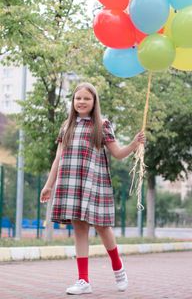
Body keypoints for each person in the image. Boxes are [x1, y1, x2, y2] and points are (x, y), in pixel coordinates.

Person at [40, 82, 145, 295]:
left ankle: (118, 269)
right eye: (78, 98)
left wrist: (134, 144)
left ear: (94, 102)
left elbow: (117, 153)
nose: (81, 102)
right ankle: (83, 280)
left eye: (86, 98)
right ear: (73, 101)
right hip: (70, 182)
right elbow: (58, 158)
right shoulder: (66, 126)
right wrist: (48, 185)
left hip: (94, 183)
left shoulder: (102, 125)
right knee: (79, 229)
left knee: (103, 227)